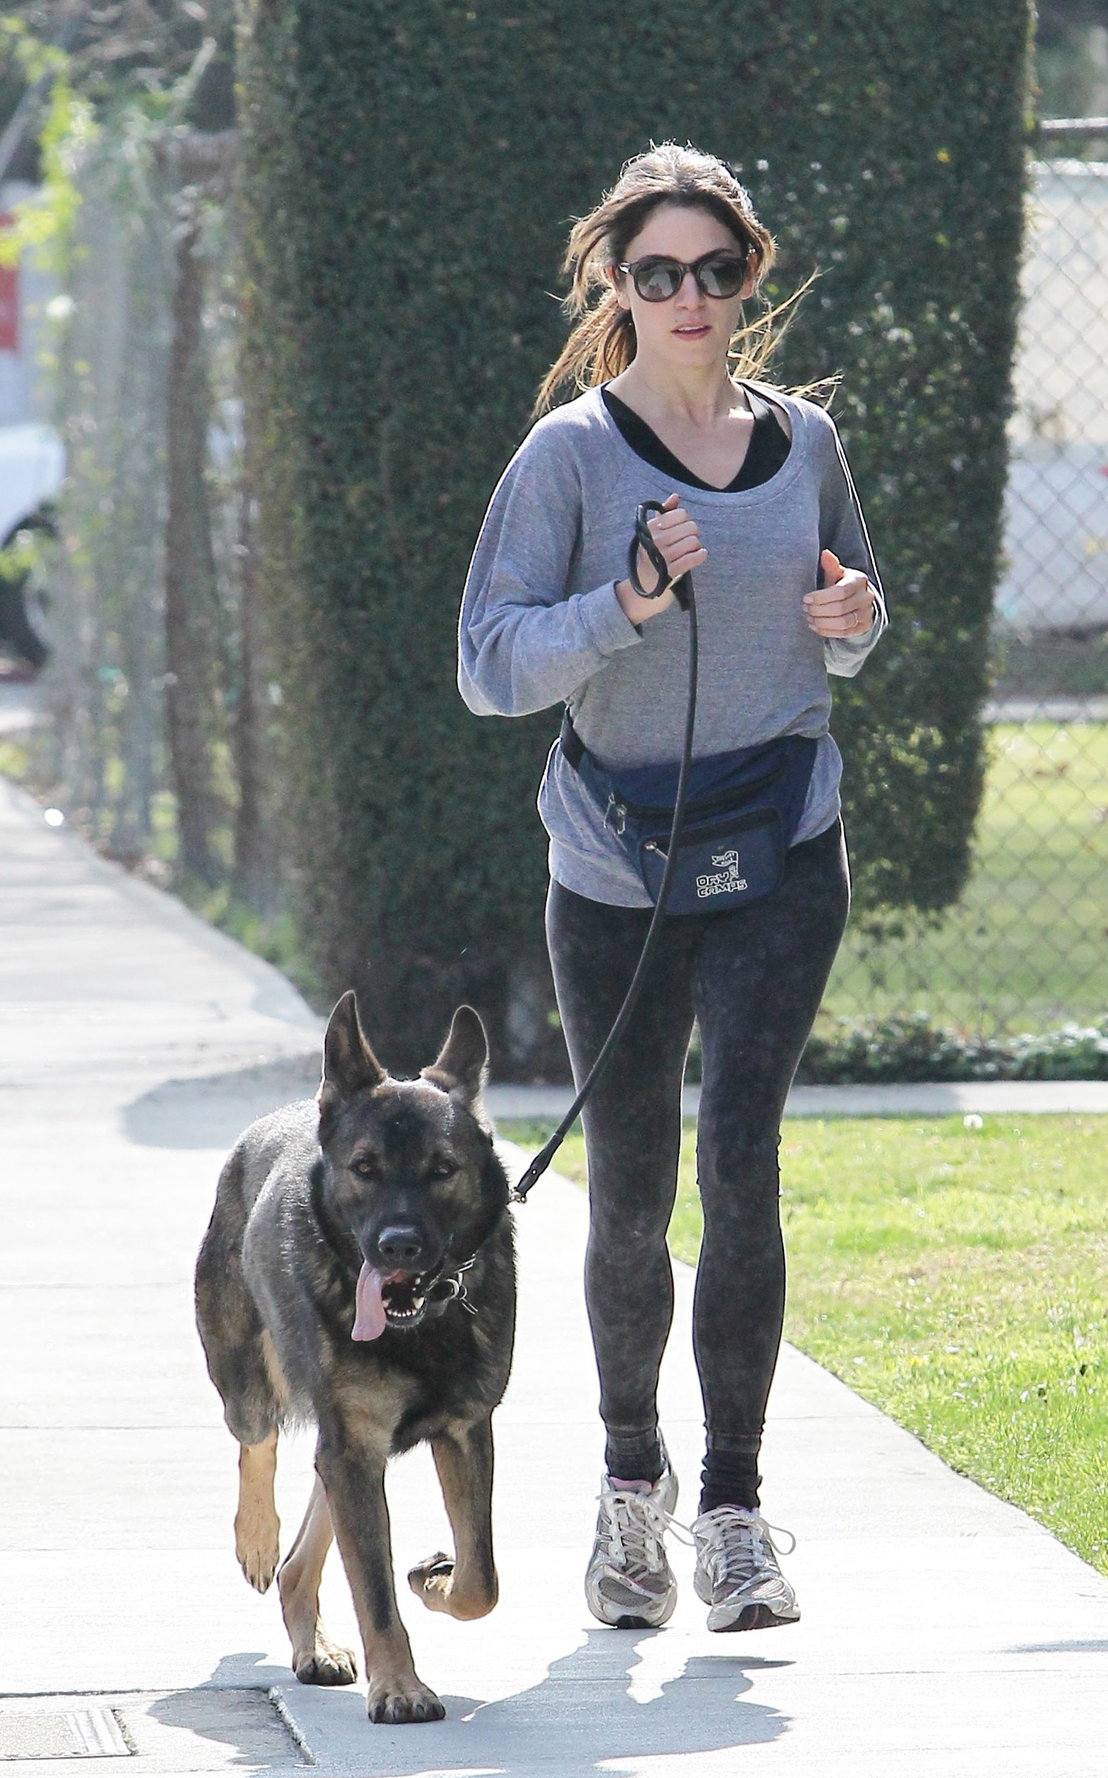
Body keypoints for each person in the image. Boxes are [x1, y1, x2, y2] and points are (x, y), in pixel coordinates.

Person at [457, 143, 886, 1634]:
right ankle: (629, 1496)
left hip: (782, 848)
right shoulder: (570, 456)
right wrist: (624, 602)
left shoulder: (808, 439)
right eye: (657, 275)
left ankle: (739, 1511)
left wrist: (854, 614)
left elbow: (855, 616)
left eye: (715, 270)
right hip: (616, 865)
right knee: (632, 1189)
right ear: (616, 287)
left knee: (745, 1162)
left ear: (746, 279)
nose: (689, 298)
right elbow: (489, 663)